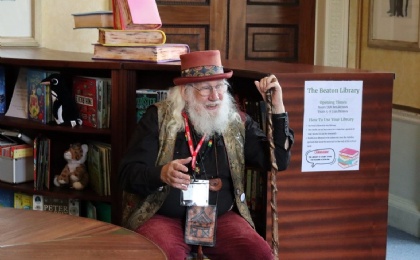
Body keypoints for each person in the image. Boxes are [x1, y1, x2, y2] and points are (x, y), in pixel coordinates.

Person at [118, 50, 294, 260]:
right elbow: (127, 174)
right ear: (185, 92)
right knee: (166, 255)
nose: (215, 96)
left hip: (220, 217)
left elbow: (277, 161)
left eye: (220, 86)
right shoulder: (158, 118)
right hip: (163, 216)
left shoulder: (236, 121)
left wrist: (277, 107)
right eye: (205, 89)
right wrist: (162, 174)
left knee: (259, 254)